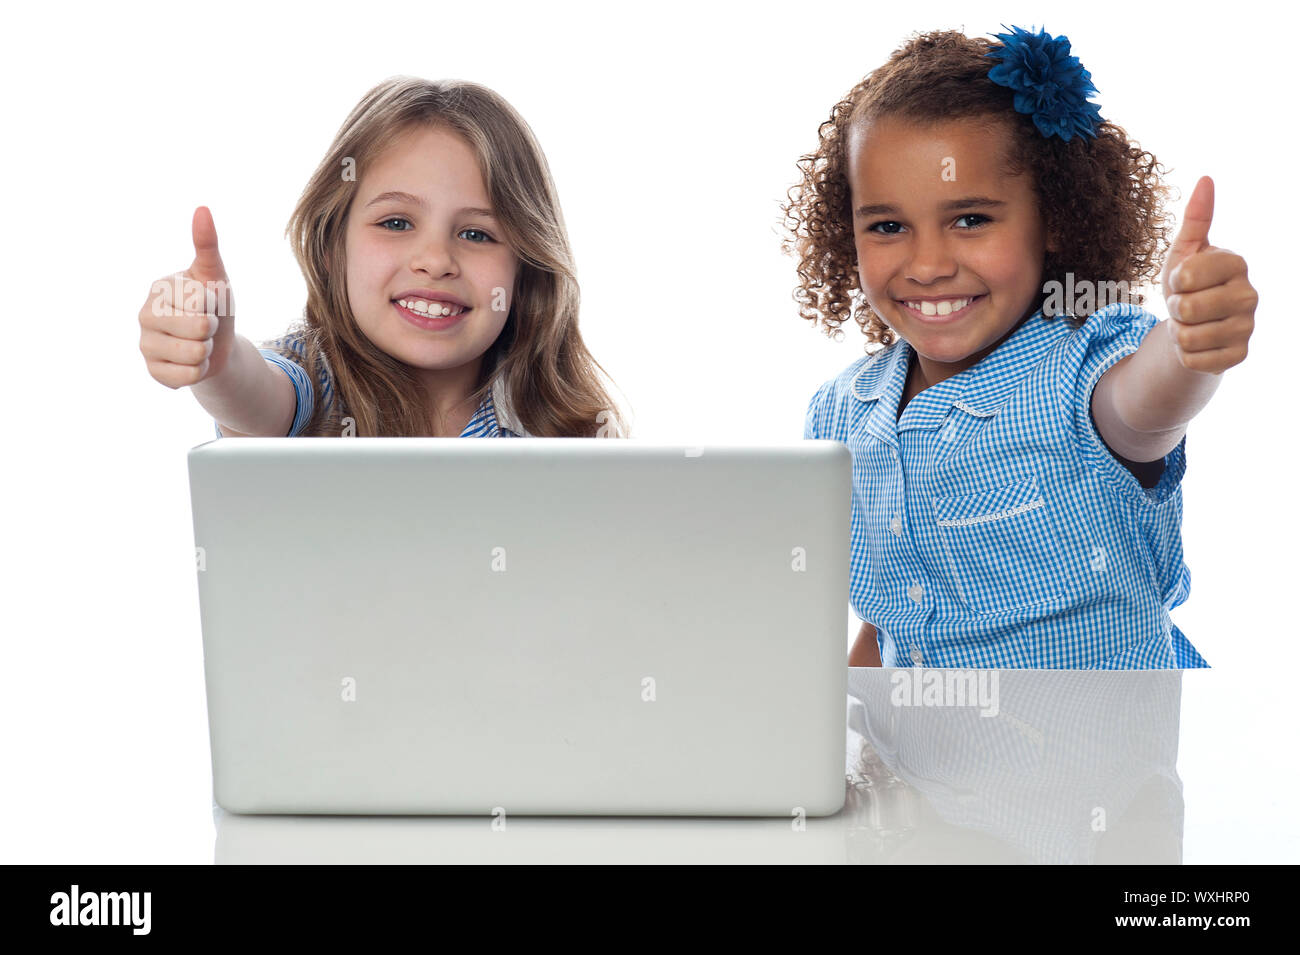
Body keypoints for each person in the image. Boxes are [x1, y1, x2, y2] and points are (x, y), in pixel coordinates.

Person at [784, 27, 1257, 668]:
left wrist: (1187, 345)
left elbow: (1146, 407)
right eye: (888, 226)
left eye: (970, 220)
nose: (926, 265)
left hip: (1100, 765)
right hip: (918, 763)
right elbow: (891, 621)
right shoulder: (841, 412)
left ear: (1056, 218)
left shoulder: (1081, 367)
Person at [139, 77, 627, 439]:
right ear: (333, 249)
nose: (435, 260)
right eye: (396, 223)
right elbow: (254, 397)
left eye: (477, 233)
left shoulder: (560, 428)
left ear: (526, 272)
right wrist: (220, 363)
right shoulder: (313, 382)